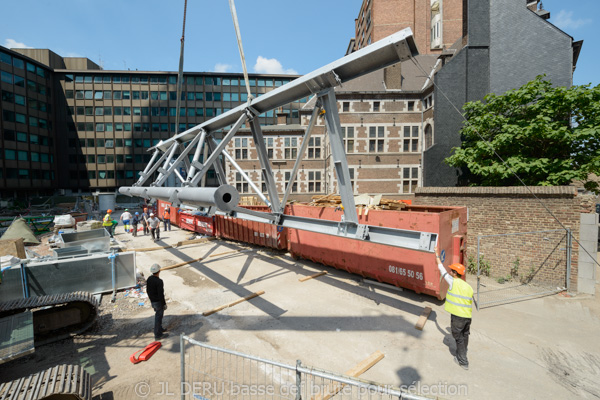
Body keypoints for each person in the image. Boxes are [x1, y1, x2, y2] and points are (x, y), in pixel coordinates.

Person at [435, 246, 474, 371]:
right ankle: (463, 353)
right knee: (465, 335)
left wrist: (436, 255)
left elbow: (441, 269)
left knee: (458, 338)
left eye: (452, 270)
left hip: (458, 317)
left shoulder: (453, 282)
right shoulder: (468, 286)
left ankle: (463, 361)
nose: (450, 271)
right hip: (467, 317)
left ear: (455, 273)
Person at [146, 263, 168, 340]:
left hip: (153, 302)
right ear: (159, 271)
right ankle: (157, 334)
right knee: (158, 317)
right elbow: (160, 294)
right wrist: (164, 304)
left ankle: (160, 329)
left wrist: (151, 299)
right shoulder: (159, 281)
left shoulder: (149, 279)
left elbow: (147, 290)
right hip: (158, 302)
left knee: (159, 316)